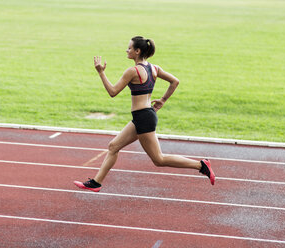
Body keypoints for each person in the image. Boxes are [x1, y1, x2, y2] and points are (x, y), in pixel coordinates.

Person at [74, 36, 215, 192]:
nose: (126, 50)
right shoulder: (154, 68)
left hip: (143, 118)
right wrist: (162, 100)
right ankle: (96, 182)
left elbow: (113, 92)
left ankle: (201, 165)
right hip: (144, 116)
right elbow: (175, 81)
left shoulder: (132, 71)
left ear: (137, 51)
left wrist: (101, 73)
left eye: (129, 48)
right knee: (113, 146)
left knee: (159, 159)